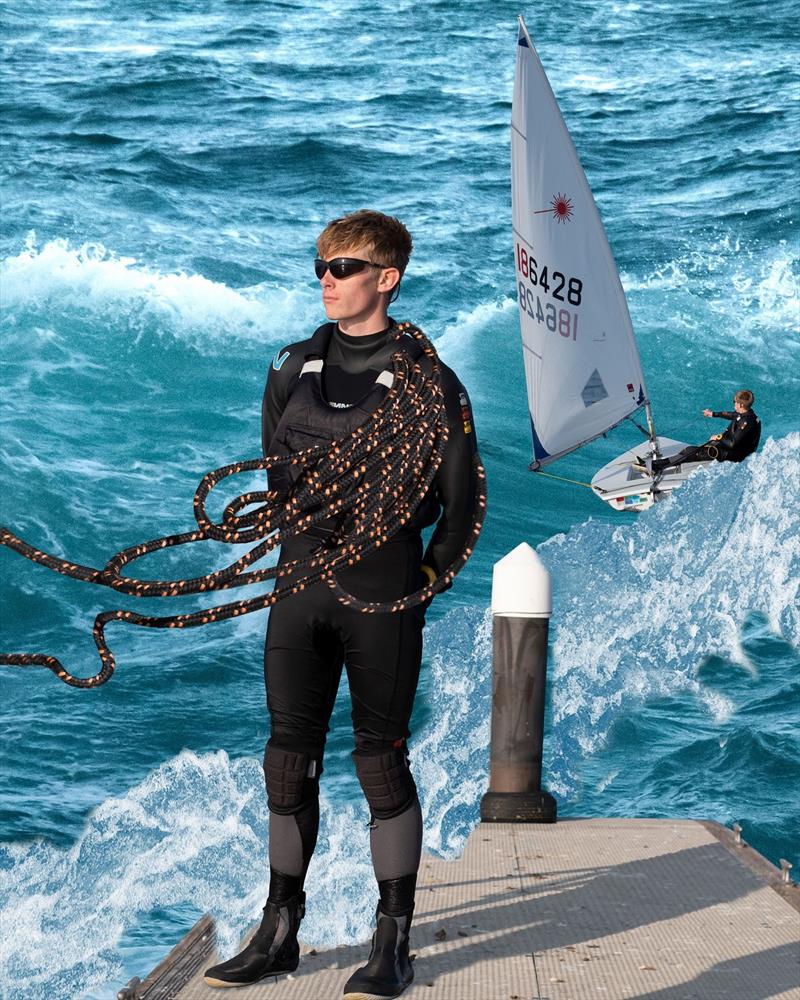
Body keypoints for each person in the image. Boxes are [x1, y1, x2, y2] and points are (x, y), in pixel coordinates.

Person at [203, 210, 480, 998]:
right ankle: (280, 929)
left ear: (386, 278)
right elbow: (276, 474)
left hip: (383, 593)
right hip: (301, 586)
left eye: (343, 267)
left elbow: (459, 505)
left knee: (378, 762)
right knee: (286, 762)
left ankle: (392, 941)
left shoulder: (434, 384)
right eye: (320, 265)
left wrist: (422, 583)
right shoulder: (291, 368)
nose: (326, 278)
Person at [640, 389, 760, 474]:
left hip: (735, 454)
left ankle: (655, 467)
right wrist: (712, 414)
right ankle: (659, 464)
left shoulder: (747, 422)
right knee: (689, 450)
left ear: (740, 404)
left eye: (734, 402)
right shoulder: (747, 414)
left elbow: (733, 443)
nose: (733, 404)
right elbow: (732, 415)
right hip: (730, 449)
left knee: (692, 452)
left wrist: (718, 438)